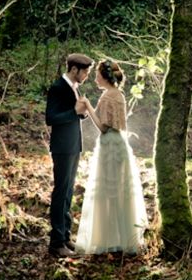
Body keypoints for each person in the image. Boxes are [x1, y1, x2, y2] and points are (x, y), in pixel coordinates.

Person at [75, 58, 148, 255]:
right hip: (121, 144)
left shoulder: (107, 96)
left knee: (106, 191)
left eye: (97, 75)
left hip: (109, 146)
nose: (95, 79)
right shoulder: (120, 95)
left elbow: (103, 127)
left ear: (104, 77)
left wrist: (88, 106)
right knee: (121, 190)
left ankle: (106, 239)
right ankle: (125, 239)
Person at [45, 52, 94, 257]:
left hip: (73, 146)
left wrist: (80, 114)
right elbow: (51, 118)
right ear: (74, 70)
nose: (87, 76)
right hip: (63, 148)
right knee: (61, 192)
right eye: (85, 72)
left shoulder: (75, 88)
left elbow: (72, 115)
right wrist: (74, 111)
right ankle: (56, 243)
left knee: (68, 193)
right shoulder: (58, 88)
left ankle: (64, 237)